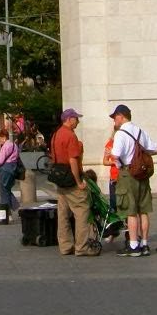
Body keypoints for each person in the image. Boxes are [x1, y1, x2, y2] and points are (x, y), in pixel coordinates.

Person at [109, 104, 157, 258]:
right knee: (143, 210)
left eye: (114, 117)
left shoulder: (120, 134)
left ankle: (133, 245)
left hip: (127, 173)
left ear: (121, 116)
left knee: (130, 211)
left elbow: (116, 155)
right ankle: (144, 243)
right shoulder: (139, 131)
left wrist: (115, 160)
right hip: (142, 174)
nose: (113, 121)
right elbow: (155, 149)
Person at [52, 109, 96, 256]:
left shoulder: (56, 134)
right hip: (70, 178)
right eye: (76, 119)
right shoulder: (70, 136)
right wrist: (79, 181)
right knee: (82, 210)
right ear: (69, 119)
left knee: (63, 213)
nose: (78, 121)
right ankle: (81, 247)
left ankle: (65, 246)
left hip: (59, 177)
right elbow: (73, 160)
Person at [0, 129, 21, 215]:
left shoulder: (5, 146)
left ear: (4, 137)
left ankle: (7, 211)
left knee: (4, 191)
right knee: (7, 189)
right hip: (13, 169)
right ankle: (15, 206)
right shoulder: (14, 145)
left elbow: (0, 161)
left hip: (5, 169)